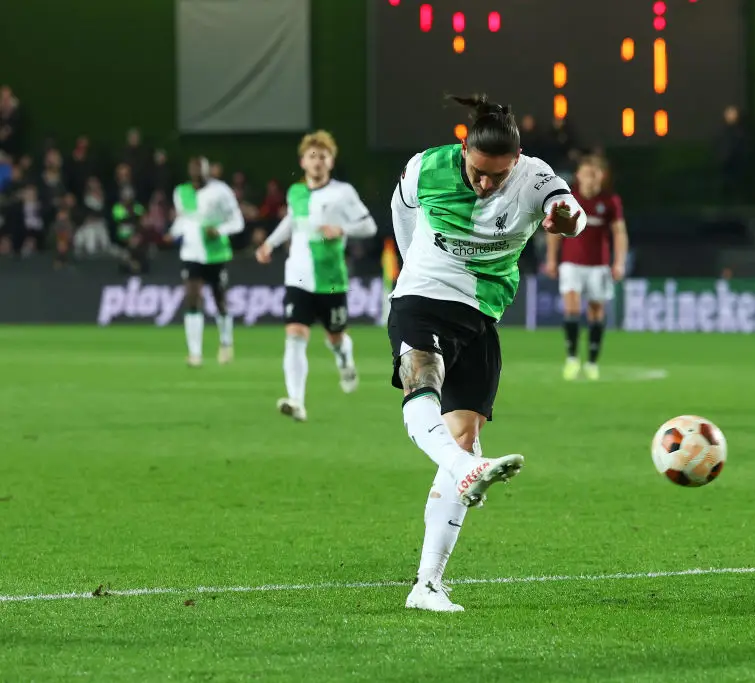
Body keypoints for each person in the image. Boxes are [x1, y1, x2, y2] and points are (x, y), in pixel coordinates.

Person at [389, 94, 586, 612]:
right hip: (422, 296)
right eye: (478, 171)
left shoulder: (536, 175)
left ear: (515, 162)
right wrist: (413, 267)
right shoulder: (426, 167)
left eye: (497, 176)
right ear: (465, 150)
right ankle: (463, 467)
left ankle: (426, 586)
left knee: (467, 432)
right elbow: (402, 209)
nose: (485, 183)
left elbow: (570, 212)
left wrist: (566, 220)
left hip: (480, 314)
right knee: (421, 377)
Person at [256, 131, 377, 422]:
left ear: (331, 162)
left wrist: (342, 229)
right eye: (313, 156)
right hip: (297, 275)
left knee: (335, 338)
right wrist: (270, 243)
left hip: (331, 277)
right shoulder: (296, 192)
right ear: (303, 161)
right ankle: (296, 401)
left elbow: (369, 226)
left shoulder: (343, 192)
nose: (317, 161)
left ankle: (344, 359)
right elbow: (291, 221)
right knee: (295, 335)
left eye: (323, 156)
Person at [544, 155, 628, 380]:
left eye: (595, 175)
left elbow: (619, 232)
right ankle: (572, 358)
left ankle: (591, 361)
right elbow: (554, 232)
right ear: (579, 175)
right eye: (587, 174)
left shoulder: (610, 201)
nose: (591, 180)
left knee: (596, 312)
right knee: (571, 308)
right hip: (571, 264)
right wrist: (551, 259)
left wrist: (619, 261)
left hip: (599, 266)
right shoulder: (568, 199)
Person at [169, 157, 244, 367]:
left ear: (207, 170)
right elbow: (184, 219)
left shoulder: (221, 191)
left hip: (215, 253)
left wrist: (219, 230)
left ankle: (226, 343)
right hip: (191, 253)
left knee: (220, 298)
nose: (197, 173)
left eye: (200, 169)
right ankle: (195, 353)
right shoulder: (181, 192)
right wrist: (172, 233)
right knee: (192, 298)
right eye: (193, 169)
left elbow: (238, 221)